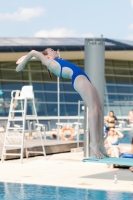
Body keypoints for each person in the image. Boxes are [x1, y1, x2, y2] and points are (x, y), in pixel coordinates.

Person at [15, 48, 108, 159]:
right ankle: (93, 143)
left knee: (99, 109)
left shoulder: (56, 60)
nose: (54, 50)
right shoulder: (50, 63)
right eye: (51, 50)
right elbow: (34, 52)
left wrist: (27, 57)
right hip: (79, 79)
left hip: (84, 78)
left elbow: (35, 55)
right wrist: (23, 63)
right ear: (47, 56)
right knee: (93, 109)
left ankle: (100, 142)